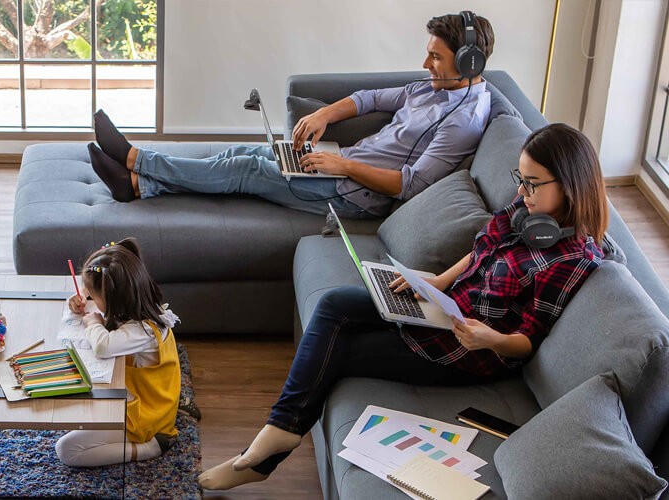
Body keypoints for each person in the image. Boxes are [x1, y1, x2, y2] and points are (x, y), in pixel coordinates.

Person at [197, 122, 609, 489]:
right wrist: (435, 282)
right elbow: (480, 251)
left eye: (532, 184)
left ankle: (268, 450)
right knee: (334, 303)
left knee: (339, 351)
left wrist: (489, 338)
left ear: (570, 186)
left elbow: (528, 339)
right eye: (520, 179)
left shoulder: (572, 260)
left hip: (466, 350)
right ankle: (276, 434)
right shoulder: (527, 212)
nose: (521, 192)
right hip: (444, 306)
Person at [88, 13, 494, 218]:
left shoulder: (462, 119)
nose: (425, 64)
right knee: (241, 154)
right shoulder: (435, 86)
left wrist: (343, 166)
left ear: (468, 61)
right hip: (340, 168)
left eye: (435, 57)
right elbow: (370, 98)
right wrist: (324, 115)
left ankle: (137, 159)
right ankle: (138, 187)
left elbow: (410, 184)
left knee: (246, 169)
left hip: (354, 196)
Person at [54, 238, 181, 467]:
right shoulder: (135, 302)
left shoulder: (143, 331)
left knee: (67, 450)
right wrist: (82, 299)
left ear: (114, 298)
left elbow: (103, 346)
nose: (91, 300)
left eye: (94, 297)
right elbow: (97, 293)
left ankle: (148, 448)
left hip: (145, 414)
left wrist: (93, 322)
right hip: (138, 396)